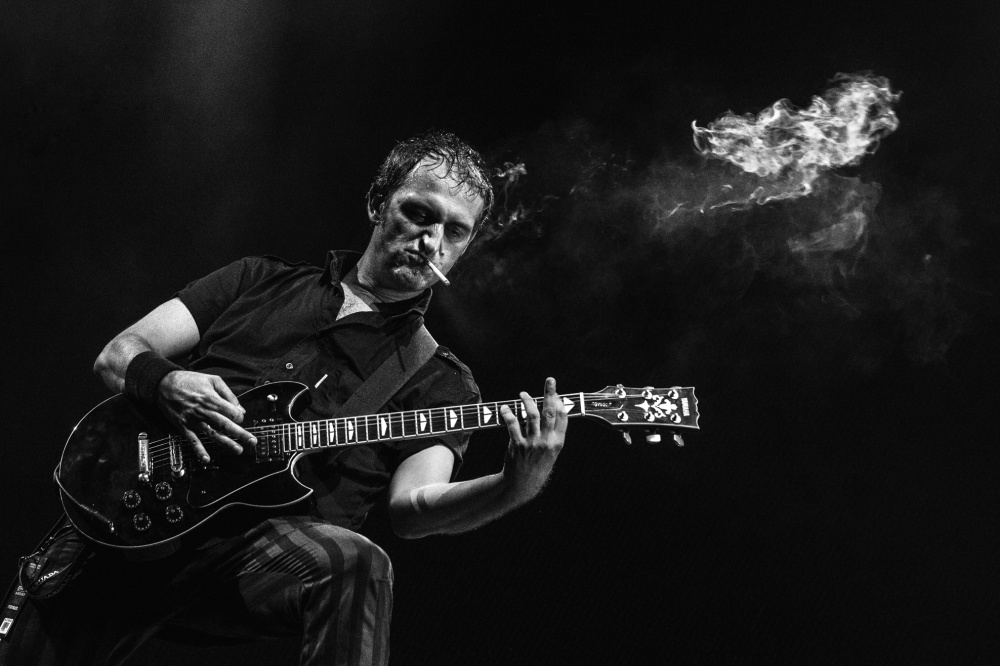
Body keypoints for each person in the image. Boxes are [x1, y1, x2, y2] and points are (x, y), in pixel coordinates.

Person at [3, 131, 568, 665]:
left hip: (249, 557)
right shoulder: (256, 279)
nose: (432, 241)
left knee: (356, 562)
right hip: (134, 510)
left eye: (455, 231)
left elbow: (413, 510)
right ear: (377, 203)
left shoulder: (440, 380)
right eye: (419, 213)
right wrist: (169, 383)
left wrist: (514, 485)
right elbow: (119, 354)